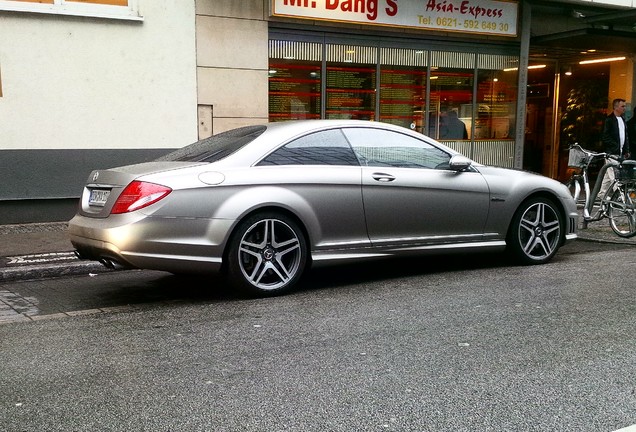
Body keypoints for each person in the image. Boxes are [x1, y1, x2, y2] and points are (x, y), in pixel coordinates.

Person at [599, 98, 630, 198]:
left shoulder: (623, 120)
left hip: (619, 152)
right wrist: (615, 146)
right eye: (622, 106)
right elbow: (605, 137)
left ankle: (602, 193)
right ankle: (619, 194)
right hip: (611, 153)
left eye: (625, 106)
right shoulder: (609, 120)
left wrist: (626, 150)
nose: (624, 108)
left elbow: (625, 136)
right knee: (614, 175)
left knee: (609, 175)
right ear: (616, 107)